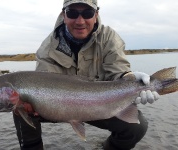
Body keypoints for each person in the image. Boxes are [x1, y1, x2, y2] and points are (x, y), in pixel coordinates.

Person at [13, 0, 160, 149]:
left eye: (87, 13)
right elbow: (42, 84)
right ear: (63, 15)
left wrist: (131, 77)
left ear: (96, 15)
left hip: (99, 106)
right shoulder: (48, 47)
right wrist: (30, 105)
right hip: (55, 107)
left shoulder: (109, 38)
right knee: (18, 108)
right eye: (72, 13)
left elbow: (118, 70)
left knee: (137, 126)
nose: (80, 21)